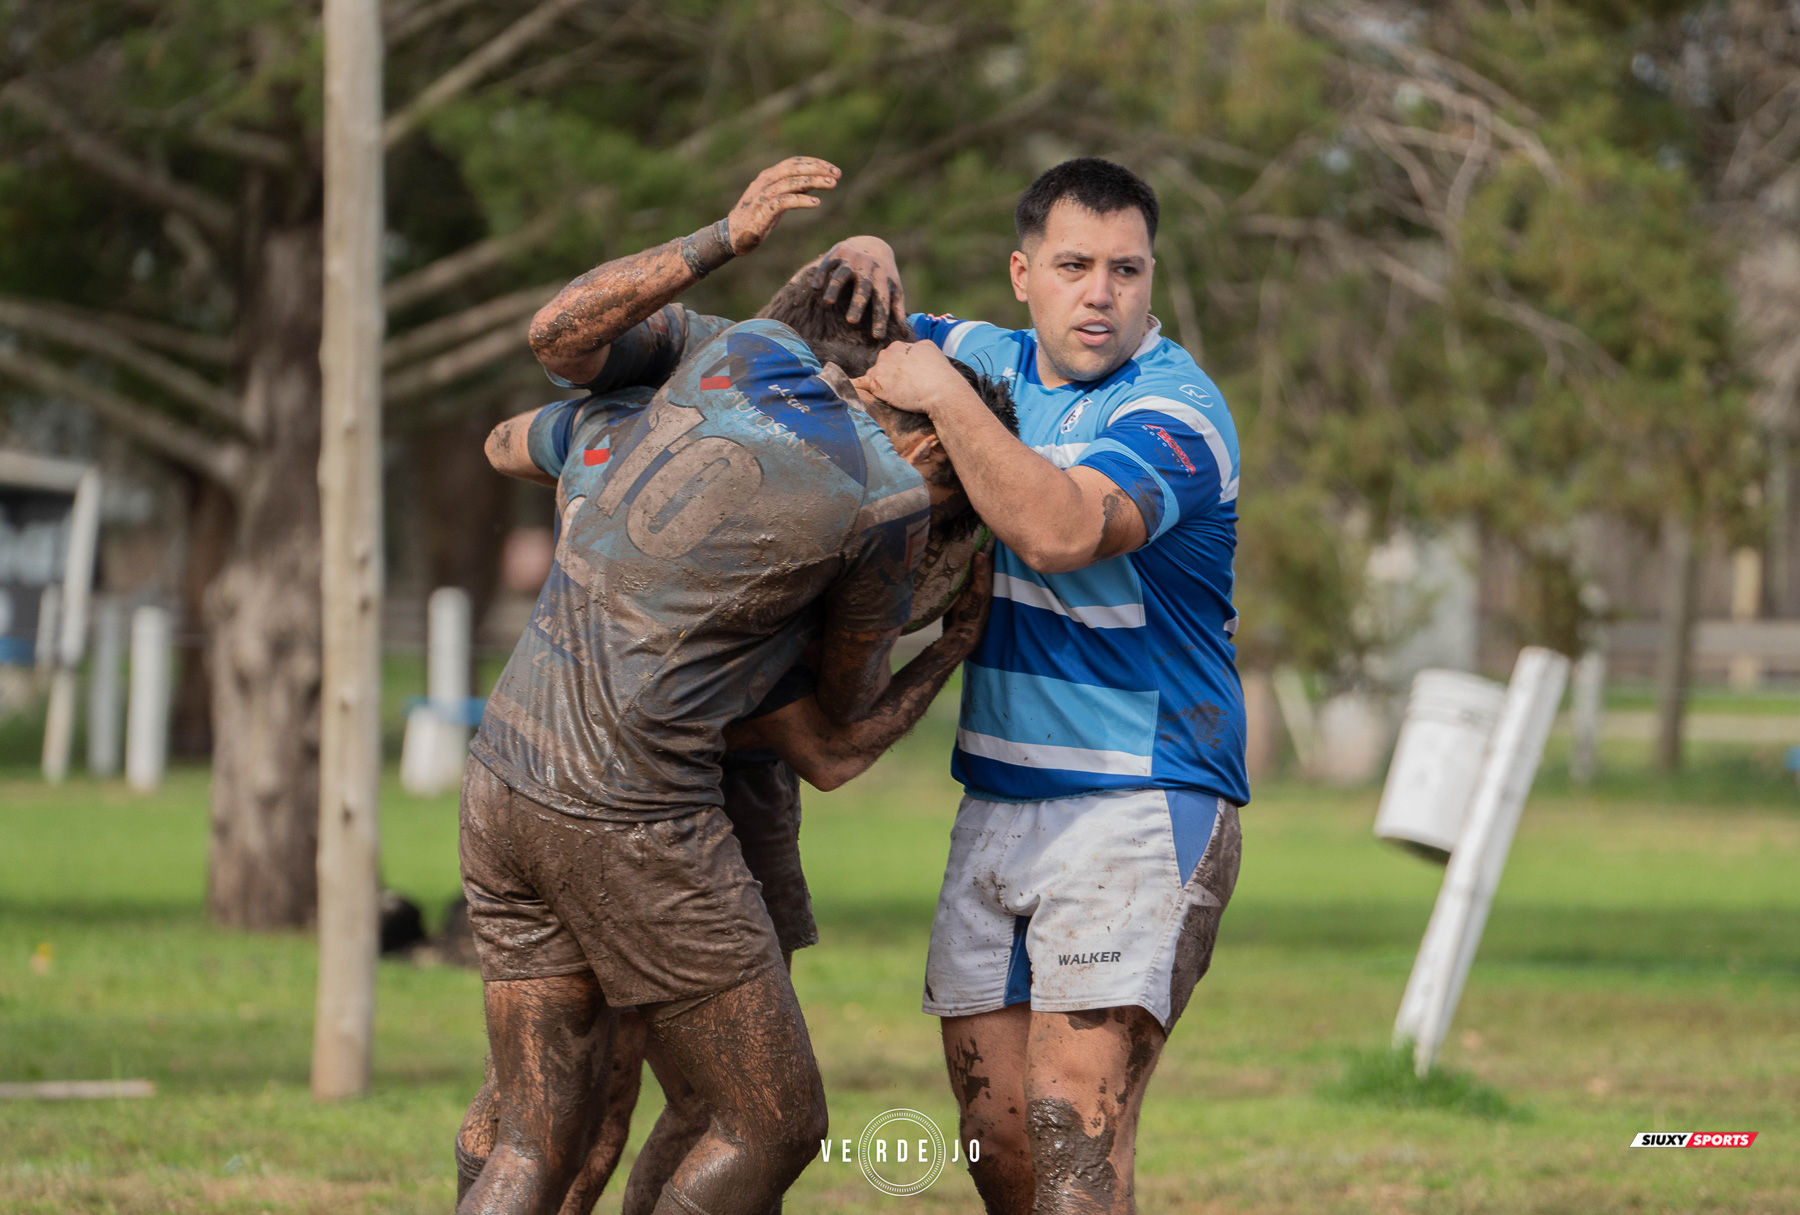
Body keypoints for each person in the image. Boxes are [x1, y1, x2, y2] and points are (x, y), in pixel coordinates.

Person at [455, 156, 1015, 1215]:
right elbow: (839, 728)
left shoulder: (739, 349)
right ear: (932, 434)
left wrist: (729, 240)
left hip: (506, 771)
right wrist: (949, 643)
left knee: (535, 1134)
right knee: (770, 1120)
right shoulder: (891, 502)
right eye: (963, 476)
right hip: (637, 809)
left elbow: (515, 419)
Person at [837, 158, 1247, 1215]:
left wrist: (936, 393)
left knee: (1072, 1134)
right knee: (999, 1148)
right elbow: (856, 322)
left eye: (1126, 268)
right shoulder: (994, 360)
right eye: (1074, 266)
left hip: (1140, 804)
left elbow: (1061, 528)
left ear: (1153, 280)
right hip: (998, 807)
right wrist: (865, 259)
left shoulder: (1177, 414)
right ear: (1024, 275)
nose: (1099, 292)